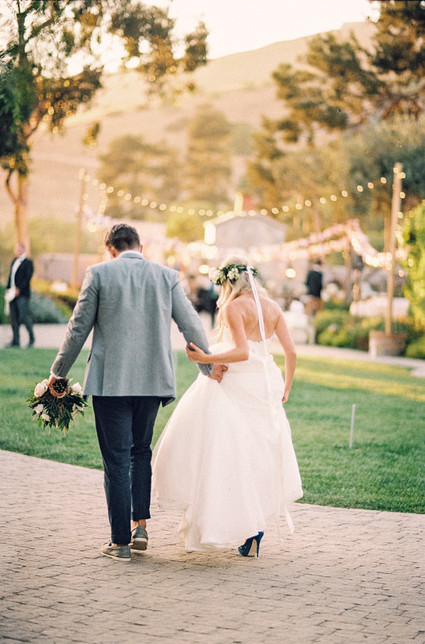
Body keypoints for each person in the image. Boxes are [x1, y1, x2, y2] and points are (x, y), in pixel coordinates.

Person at [47, 224, 224, 562]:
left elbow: (78, 328)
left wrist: (59, 373)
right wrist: (208, 366)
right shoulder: (166, 276)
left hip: (110, 383)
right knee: (140, 451)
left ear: (109, 249)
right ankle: (140, 527)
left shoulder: (98, 273)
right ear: (140, 248)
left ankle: (120, 542)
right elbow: (191, 323)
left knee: (116, 459)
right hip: (153, 381)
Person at [152, 256, 303, 557]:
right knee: (254, 454)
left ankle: (238, 524)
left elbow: (242, 352)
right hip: (263, 385)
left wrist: (205, 359)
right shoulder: (272, 307)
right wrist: (286, 386)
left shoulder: (234, 307)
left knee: (224, 452)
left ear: (228, 282)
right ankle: (253, 527)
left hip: (235, 383)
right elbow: (292, 352)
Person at [5, 242, 35, 348]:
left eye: (19, 249)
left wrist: (19, 289)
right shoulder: (14, 261)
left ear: (23, 249)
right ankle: (15, 340)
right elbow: (11, 276)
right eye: (16, 249)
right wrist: (8, 288)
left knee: (23, 316)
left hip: (22, 294)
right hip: (12, 293)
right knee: (13, 317)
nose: (17, 251)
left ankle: (31, 338)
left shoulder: (28, 262)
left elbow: (27, 278)